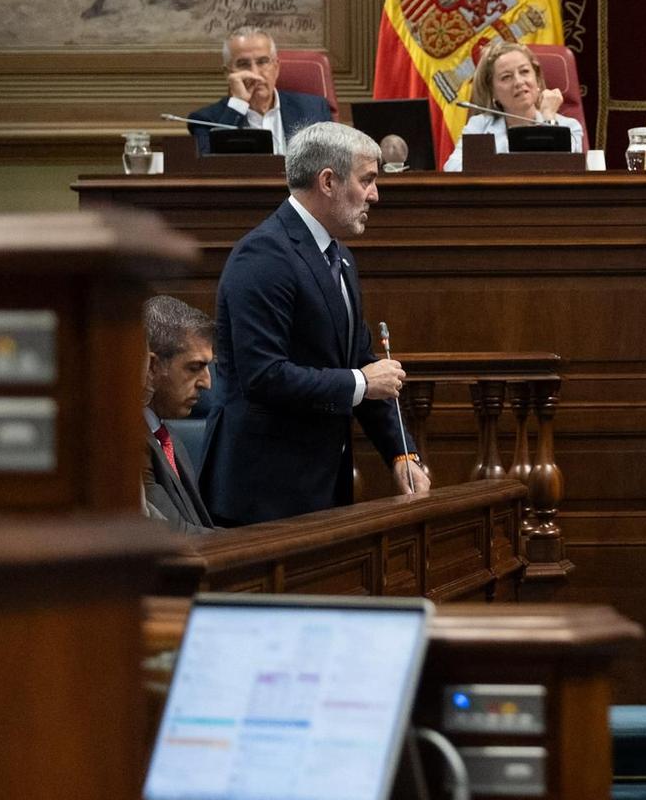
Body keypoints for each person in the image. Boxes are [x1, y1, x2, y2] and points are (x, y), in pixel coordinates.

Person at [196, 122, 431, 525]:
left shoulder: (338, 256)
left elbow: (359, 361)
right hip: (261, 496)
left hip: (318, 490)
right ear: (328, 181)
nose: (375, 194)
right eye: (367, 180)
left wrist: (402, 453)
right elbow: (264, 376)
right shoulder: (264, 256)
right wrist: (360, 383)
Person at [443, 38, 584, 170]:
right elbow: (452, 169)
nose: (519, 82)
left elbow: (563, 170)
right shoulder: (479, 127)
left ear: (537, 79)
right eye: (506, 77)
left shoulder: (570, 127)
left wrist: (549, 119)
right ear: (492, 91)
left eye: (524, 72)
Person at [186, 26, 331, 154]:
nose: (255, 73)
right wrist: (238, 105)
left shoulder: (314, 109)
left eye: (263, 62)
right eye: (243, 64)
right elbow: (209, 168)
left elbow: (334, 164)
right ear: (228, 73)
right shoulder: (205, 121)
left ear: (276, 67)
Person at [141, 294, 215, 532]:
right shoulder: (129, 445)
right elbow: (178, 535)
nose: (207, 383)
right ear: (153, 367)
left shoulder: (170, 438)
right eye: (194, 368)